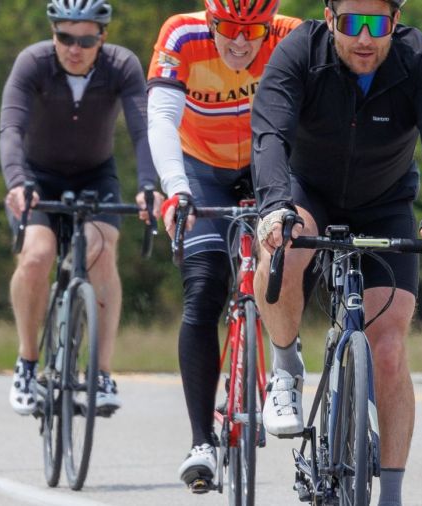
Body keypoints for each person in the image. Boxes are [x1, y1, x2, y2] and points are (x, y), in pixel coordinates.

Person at [250, 0, 422, 504]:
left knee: (388, 349)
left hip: (384, 202)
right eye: (352, 23)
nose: (365, 38)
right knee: (288, 240)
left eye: (378, 23)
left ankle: (390, 493)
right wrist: (274, 206)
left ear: (396, 20)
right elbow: (270, 135)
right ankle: (285, 368)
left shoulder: (419, 59)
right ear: (329, 18)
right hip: (308, 193)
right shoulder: (299, 51)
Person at [146, 0, 301, 489]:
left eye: (251, 31)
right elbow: (161, 120)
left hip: (267, 166)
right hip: (200, 171)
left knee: (290, 261)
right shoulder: (181, 37)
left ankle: (281, 366)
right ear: (209, 21)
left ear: (267, 25)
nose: (239, 42)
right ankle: (200, 442)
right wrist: (177, 190)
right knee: (205, 286)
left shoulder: (290, 36)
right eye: (227, 30)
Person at [0, 0, 161, 417]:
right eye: (65, 37)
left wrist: (147, 186)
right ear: (53, 33)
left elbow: (143, 132)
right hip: (38, 177)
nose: (75, 48)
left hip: (95, 176)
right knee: (36, 256)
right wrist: (17, 183)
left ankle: (102, 372)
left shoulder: (121, 65)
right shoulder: (33, 63)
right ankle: (27, 361)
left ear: (102, 37)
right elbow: (11, 129)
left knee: (102, 251)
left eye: (86, 39)